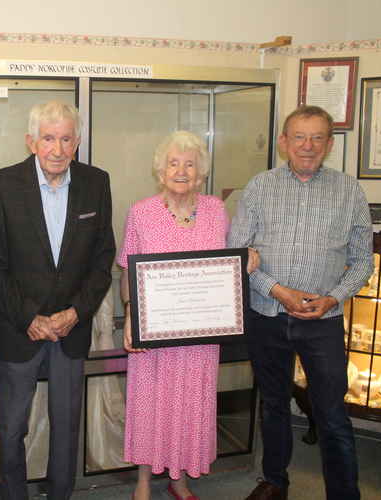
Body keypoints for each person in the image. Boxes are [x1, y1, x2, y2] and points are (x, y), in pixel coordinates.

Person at [228, 105, 373, 500]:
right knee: (273, 404)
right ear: (283, 142)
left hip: (322, 321)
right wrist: (276, 289)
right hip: (268, 315)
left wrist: (332, 298)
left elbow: (363, 261)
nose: (307, 146)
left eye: (317, 138)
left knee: (331, 413)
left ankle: (344, 493)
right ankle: (275, 480)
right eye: (299, 137)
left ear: (328, 144)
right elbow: (236, 250)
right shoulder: (259, 186)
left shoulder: (349, 191)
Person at [0, 100, 115, 500]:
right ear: (31, 141)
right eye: (48, 138)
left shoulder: (96, 182)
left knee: (66, 424)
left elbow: (103, 260)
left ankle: (61, 494)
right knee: (12, 427)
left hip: (71, 329)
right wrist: (31, 318)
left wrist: (76, 312)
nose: (57, 149)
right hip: (18, 328)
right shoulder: (1, 185)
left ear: (77, 142)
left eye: (66, 139)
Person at [119, 131, 257, 500]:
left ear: (201, 173)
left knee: (190, 405)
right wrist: (132, 316)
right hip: (155, 333)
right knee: (150, 404)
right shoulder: (141, 212)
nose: (181, 170)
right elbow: (127, 272)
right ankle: (144, 482)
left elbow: (227, 263)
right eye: (173, 163)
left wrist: (248, 256)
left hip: (200, 332)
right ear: (160, 171)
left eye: (190, 164)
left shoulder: (216, 210)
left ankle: (180, 479)